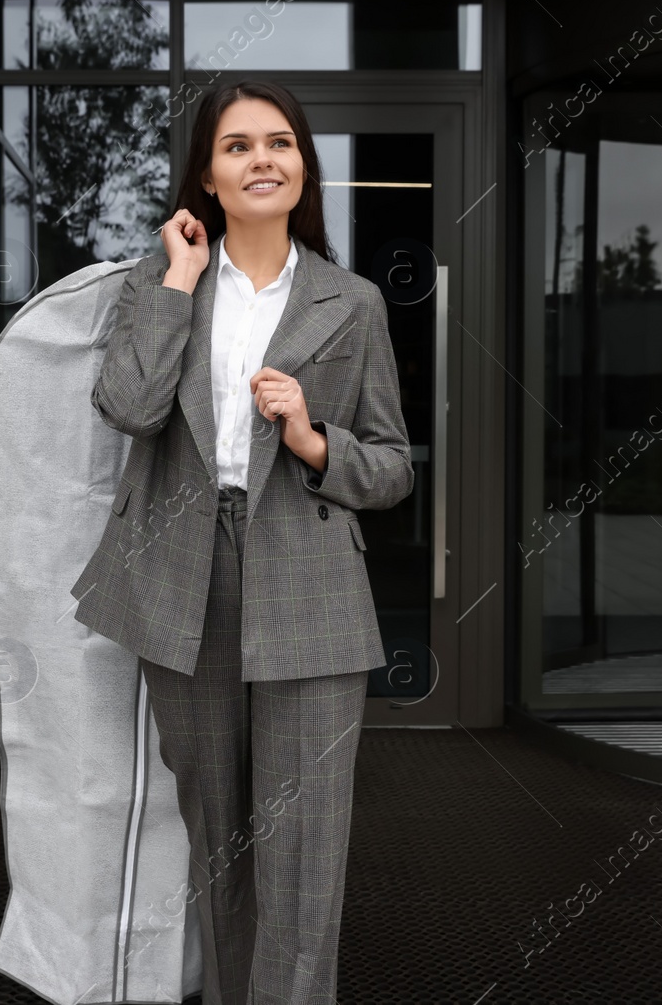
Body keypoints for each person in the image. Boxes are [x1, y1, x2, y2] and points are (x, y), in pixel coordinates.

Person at [69, 80, 414, 1005]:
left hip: (308, 579)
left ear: (303, 168)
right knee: (218, 838)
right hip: (184, 576)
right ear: (209, 177)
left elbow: (391, 468)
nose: (261, 159)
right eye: (236, 146)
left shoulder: (356, 301)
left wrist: (311, 440)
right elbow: (130, 409)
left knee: (304, 854)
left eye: (279, 143)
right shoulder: (161, 284)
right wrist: (178, 282)